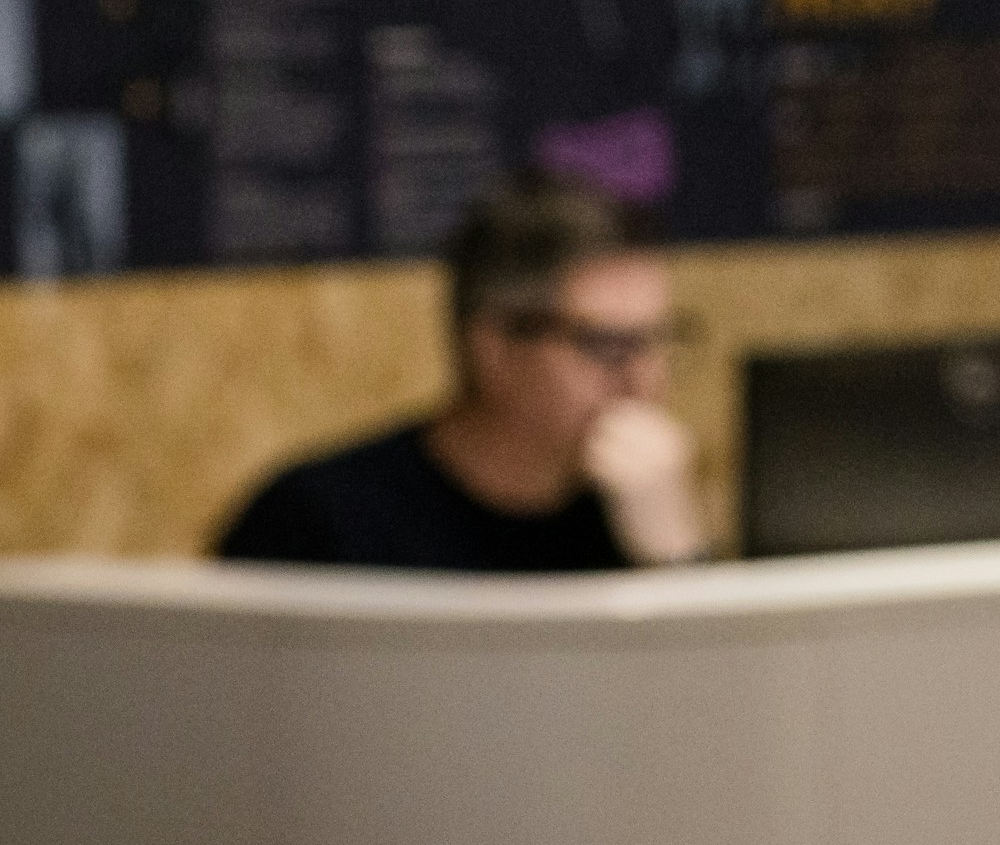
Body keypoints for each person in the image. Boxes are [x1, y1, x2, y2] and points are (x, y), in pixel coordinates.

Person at [215, 177, 707, 569]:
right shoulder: (316, 524)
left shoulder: (637, 508)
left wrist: (679, 559)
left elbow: (715, 694)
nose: (643, 379)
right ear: (494, 349)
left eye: (655, 340)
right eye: (606, 345)